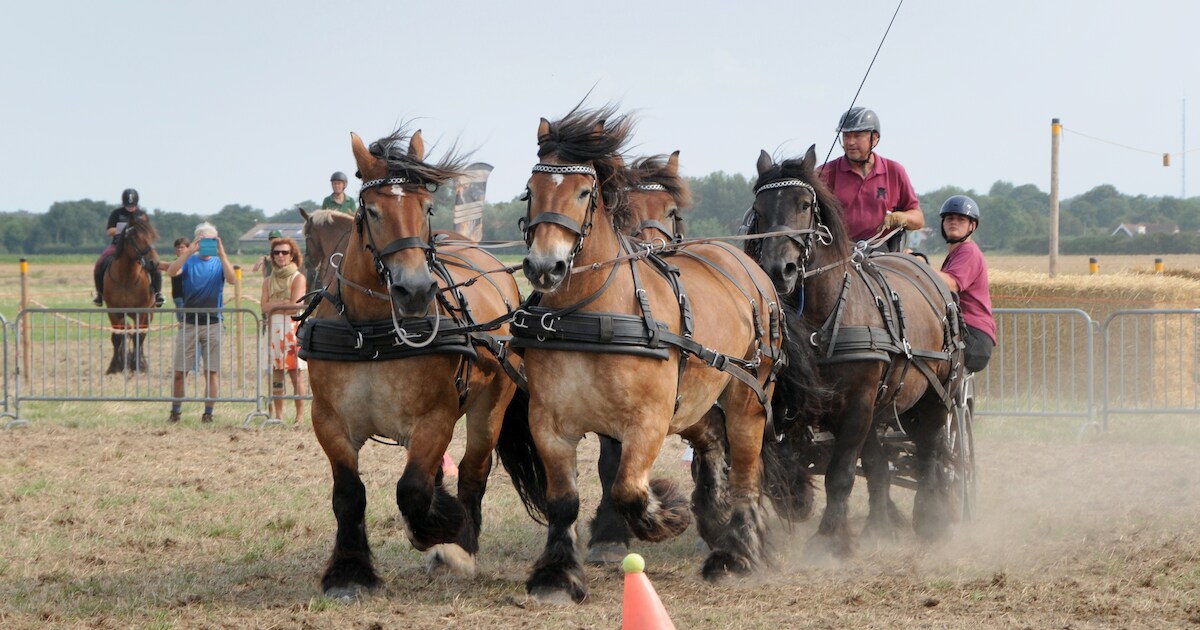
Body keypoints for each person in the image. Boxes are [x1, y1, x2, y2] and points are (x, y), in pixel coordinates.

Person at [818, 107, 924, 251]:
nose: (850, 142)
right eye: (846, 136)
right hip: (837, 253)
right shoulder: (826, 173)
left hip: (881, 254)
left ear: (874, 138)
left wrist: (901, 218)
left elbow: (918, 219)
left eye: (857, 136)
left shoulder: (894, 171)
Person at [166, 222, 236, 424]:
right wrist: (188, 253)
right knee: (180, 372)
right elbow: (172, 271)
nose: (207, 244)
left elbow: (232, 279)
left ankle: (208, 413)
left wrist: (222, 255)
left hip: (214, 323)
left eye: (212, 240)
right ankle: (175, 411)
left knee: (211, 372)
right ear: (196, 241)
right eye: (203, 240)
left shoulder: (219, 262)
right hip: (189, 323)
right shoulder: (188, 261)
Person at [935, 195, 995, 373]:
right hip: (959, 330)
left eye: (961, 219)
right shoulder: (956, 254)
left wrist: (916, 266)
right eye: (950, 218)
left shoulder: (968, 252)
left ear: (972, 226)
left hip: (973, 334)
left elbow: (951, 284)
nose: (954, 222)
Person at [259, 236, 308, 424]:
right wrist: (282, 304)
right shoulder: (267, 281)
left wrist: (275, 305)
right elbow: (263, 307)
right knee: (276, 376)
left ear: (292, 255)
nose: (280, 256)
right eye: (276, 252)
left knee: (296, 375)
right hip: (273, 331)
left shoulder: (298, 277)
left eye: (284, 252)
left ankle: (300, 416)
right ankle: (279, 416)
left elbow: (295, 306)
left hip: (292, 328)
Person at [93, 188, 165, 307]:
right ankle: (100, 294)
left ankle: (158, 292)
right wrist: (124, 230)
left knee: (155, 264)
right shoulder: (117, 213)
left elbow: (147, 231)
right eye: (128, 205)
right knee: (100, 262)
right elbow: (109, 231)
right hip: (118, 245)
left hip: (139, 245)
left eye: (132, 205)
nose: (130, 207)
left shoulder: (142, 215)